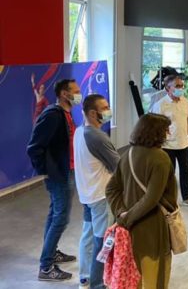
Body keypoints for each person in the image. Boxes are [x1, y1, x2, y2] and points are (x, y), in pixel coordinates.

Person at [105, 113, 178, 289]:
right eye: (165, 130)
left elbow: (111, 189)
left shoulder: (127, 154)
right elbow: (151, 199)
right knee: (155, 277)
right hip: (153, 228)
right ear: (157, 133)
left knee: (133, 277)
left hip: (128, 230)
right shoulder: (160, 158)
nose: (168, 133)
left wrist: (122, 213)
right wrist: (127, 217)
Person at [27, 79, 81, 281]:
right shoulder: (52, 115)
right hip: (59, 174)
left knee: (54, 214)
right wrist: (46, 170)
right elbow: (34, 147)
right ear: (65, 94)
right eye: (75, 91)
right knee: (61, 218)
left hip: (67, 170)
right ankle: (46, 267)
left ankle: (51, 252)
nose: (79, 94)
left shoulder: (65, 114)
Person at [74, 94, 119, 289]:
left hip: (86, 194)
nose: (108, 111)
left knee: (88, 236)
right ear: (93, 113)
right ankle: (98, 283)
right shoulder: (98, 136)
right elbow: (119, 166)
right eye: (105, 107)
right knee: (102, 240)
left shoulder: (79, 131)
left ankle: (84, 277)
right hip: (101, 196)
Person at [151, 75, 188, 207]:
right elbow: (155, 126)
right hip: (168, 145)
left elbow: (187, 120)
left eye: (181, 85)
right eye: (177, 86)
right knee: (169, 174)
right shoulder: (160, 105)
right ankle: (168, 199)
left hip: (183, 143)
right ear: (168, 88)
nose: (181, 88)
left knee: (185, 171)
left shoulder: (185, 101)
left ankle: (187, 197)